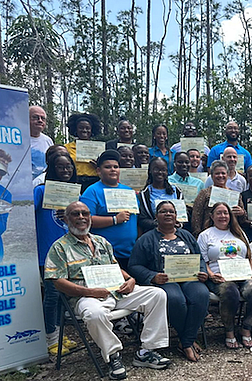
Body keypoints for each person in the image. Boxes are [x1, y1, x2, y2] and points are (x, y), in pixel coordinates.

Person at [44, 202, 171, 380]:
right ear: (66, 219)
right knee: (94, 314)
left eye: (85, 213)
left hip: (116, 291)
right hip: (86, 297)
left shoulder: (101, 241)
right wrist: (89, 292)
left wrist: (130, 279)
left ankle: (147, 351)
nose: (81, 217)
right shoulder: (59, 247)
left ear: (90, 218)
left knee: (157, 294)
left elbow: (115, 267)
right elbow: (57, 281)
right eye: (75, 214)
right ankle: (113, 356)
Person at [128, 201, 210, 361]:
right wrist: (152, 275)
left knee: (201, 294)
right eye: (163, 211)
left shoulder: (186, 235)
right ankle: (187, 342)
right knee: (175, 299)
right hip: (165, 280)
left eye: (171, 211)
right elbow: (134, 265)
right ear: (156, 217)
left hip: (190, 278)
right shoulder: (146, 239)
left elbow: (199, 257)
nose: (168, 214)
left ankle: (185, 341)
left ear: (176, 215)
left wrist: (203, 271)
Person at [198, 202, 252, 349]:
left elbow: (250, 256)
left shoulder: (238, 233)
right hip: (219, 277)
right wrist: (211, 275)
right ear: (212, 216)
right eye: (219, 213)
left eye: (226, 213)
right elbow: (202, 260)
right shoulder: (205, 235)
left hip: (243, 275)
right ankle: (229, 331)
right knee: (230, 292)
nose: (223, 216)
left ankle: (246, 327)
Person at [34, 151, 78, 354]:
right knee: (51, 295)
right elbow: (29, 217)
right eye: (60, 167)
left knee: (62, 295)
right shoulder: (41, 191)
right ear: (52, 169)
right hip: (47, 252)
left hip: (69, 251)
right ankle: (49, 338)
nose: (65, 170)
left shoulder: (73, 194)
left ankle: (58, 335)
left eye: (69, 166)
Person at [80, 150, 138, 270]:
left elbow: (136, 219)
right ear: (98, 171)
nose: (113, 169)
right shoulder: (92, 191)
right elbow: (86, 220)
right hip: (104, 254)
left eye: (116, 167)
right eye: (107, 167)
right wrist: (115, 219)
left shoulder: (129, 191)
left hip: (131, 253)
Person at [191, 160, 245, 236]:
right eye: (217, 173)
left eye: (223, 173)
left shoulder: (235, 195)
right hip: (209, 235)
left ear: (227, 175)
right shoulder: (204, 193)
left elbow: (243, 220)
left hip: (230, 234)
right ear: (212, 176)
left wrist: (242, 213)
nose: (220, 176)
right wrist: (198, 235)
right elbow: (196, 216)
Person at [138, 157, 183, 235]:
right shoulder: (144, 194)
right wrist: (160, 224)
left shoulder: (177, 191)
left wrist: (180, 224)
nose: (160, 172)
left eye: (163, 170)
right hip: (154, 234)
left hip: (176, 234)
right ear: (150, 171)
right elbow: (142, 219)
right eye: (156, 169)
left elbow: (183, 216)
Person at [64, 113, 102, 192]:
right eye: (81, 128)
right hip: (74, 182)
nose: (84, 130)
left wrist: (98, 166)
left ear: (92, 130)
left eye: (87, 128)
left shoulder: (99, 148)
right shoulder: (66, 148)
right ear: (75, 129)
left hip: (94, 182)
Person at [168, 152, 205, 231]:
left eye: (187, 162)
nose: (184, 165)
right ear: (174, 163)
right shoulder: (168, 181)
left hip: (193, 220)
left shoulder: (199, 183)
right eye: (180, 162)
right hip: (173, 220)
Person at [30, 106, 54, 178]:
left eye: (42, 118)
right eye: (35, 117)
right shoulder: (19, 139)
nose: (40, 120)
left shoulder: (48, 141)